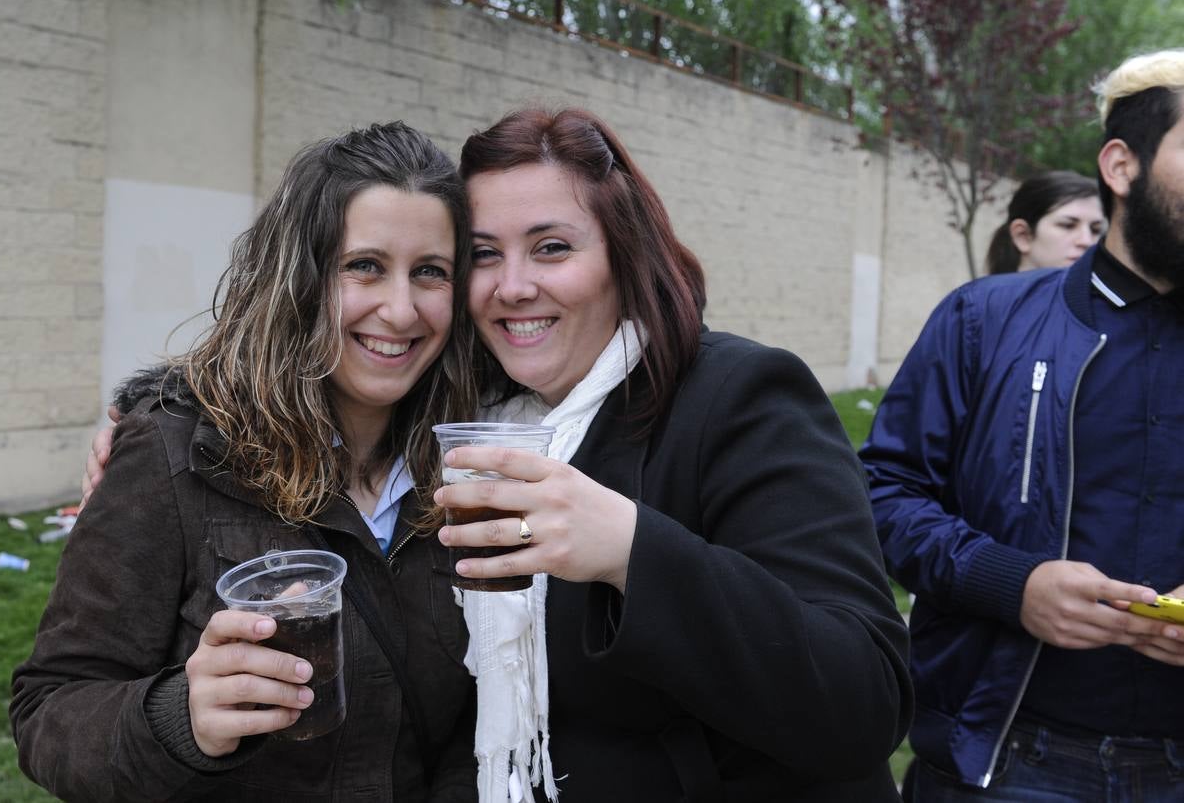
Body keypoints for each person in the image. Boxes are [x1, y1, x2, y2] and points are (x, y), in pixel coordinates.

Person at [87, 109, 913, 801]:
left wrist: (633, 551)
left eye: (552, 247)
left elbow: (865, 699)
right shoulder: (463, 420)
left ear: (624, 257)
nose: (513, 285)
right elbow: (320, 344)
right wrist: (158, 416)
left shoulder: (736, 399)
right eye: (484, 254)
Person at [11, 122, 481, 802]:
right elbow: (49, 712)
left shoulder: (467, 469)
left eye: (430, 272)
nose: (401, 309)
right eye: (365, 266)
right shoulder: (177, 454)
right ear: (299, 276)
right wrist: (183, 717)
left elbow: (480, 714)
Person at [862, 48, 1184, 801]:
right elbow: (880, 496)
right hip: (1007, 760)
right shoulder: (984, 321)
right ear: (1120, 164)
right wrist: (1015, 583)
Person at [983, 170, 1105, 274]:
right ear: (1023, 235)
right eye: (1068, 226)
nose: (1087, 241)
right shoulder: (979, 300)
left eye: (1095, 230)